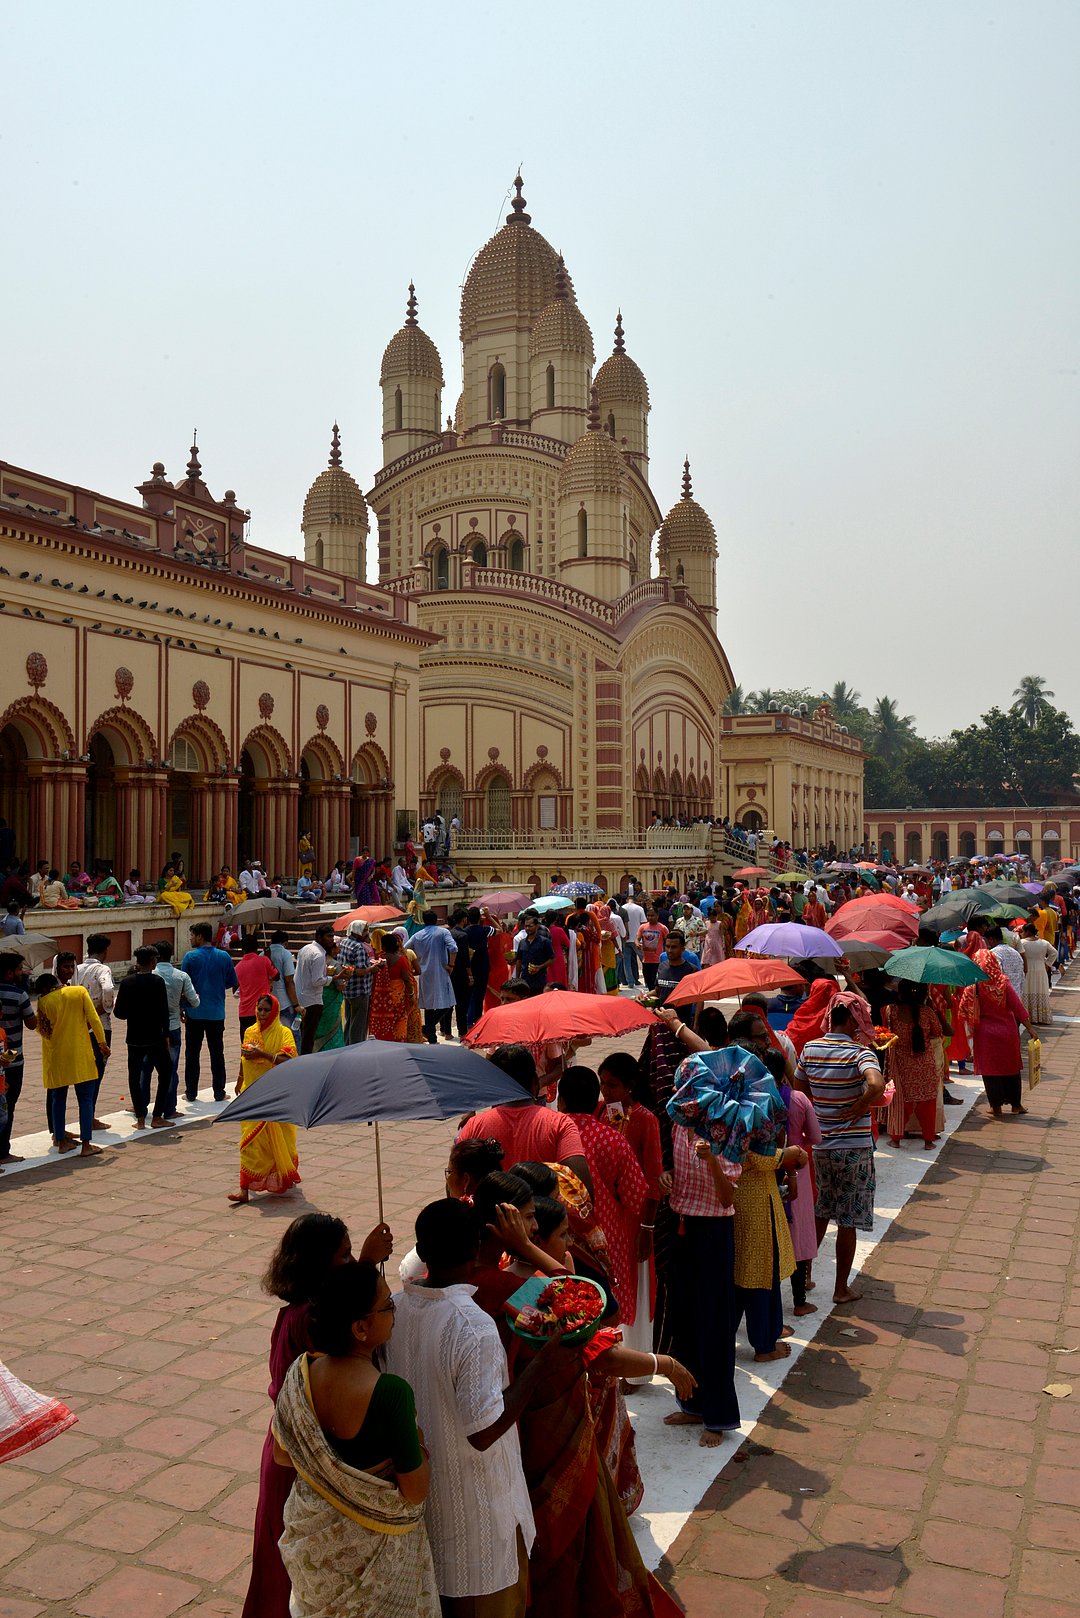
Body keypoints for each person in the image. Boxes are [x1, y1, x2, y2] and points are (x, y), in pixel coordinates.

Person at [385, 1199, 540, 1616]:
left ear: (422, 1250)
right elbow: (484, 1431)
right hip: (478, 1516)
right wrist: (542, 1365)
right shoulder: (472, 1325)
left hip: (424, 1505)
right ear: (476, 1249)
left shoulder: (393, 1312)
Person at [242, 1212, 394, 1618]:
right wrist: (367, 1266)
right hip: (301, 1458)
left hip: (289, 1448)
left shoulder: (297, 1312)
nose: (350, 1262)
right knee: (296, 1572)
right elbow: (344, 1359)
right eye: (343, 1257)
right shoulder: (311, 1321)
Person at [272, 1260, 439, 1617]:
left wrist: (328, 1472)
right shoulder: (391, 1393)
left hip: (316, 1562)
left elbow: (283, 1455)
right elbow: (415, 1491)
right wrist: (419, 1443)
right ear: (361, 1327)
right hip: (377, 1565)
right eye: (387, 1306)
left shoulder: (300, 1374)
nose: (394, 1312)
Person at [795, 993, 884, 1304]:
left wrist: (823, 1109)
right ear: (853, 1020)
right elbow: (877, 1085)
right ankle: (840, 1289)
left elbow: (800, 1091)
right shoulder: (860, 1053)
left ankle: (805, 1276)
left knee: (822, 1210)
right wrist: (859, 1105)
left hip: (822, 1146)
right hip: (854, 1147)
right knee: (848, 1219)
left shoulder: (810, 1049)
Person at [557, 1066, 647, 1332]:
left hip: (558, 1241)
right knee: (607, 1317)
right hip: (606, 1241)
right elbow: (636, 1197)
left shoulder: (550, 1131)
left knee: (564, 1313)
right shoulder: (612, 1138)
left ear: (561, 1100)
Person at [597, 1051, 663, 1360]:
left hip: (635, 1217)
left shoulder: (645, 1120)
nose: (605, 1091)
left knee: (634, 1285)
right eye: (602, 1083)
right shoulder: (603, 1112)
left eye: (612, 1085)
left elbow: (653, 1179)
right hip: (608, 1215)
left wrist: (647, 1228)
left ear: (630, 1086)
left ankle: (635, 1360)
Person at [456, 1042, 592, 1192]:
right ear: (535, 1081)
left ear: (494, 1082)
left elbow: (456, 1184)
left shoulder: (474, 1126)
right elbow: (582, 1191)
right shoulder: (560, 1124)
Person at [230, 994, 301, 1204]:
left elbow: (288, 1060)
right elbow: (244, 1056)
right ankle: (244, 1189)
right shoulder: (250, 1031)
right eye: (259, 1009)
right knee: (249, 1143)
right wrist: (239, 1079)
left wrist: (262, 1054)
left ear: (275, 1011)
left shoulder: (283, 1033)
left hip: (275, 1096)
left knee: (281, 1142)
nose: (261, 1014)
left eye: (266, 1010)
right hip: (251, 1094)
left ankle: (283, 1174)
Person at [34, 971, 107, 1157]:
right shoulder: (79, 992)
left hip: (57, 1057)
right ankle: (86, 1145)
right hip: (80, 1054)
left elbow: (42, 1031)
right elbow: (94, 1018)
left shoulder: (43, 1002)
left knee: (58, 1099)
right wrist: (102, 1044)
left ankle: (61, 1142)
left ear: (44, 989)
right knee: (85, 1100)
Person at [958, 948, 1035, 1118]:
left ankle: (996, 1107)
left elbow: (963, 1009)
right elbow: (1018, 1007)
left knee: (990, 1071)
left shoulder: (973, 985)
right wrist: (1030, 1028)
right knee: (1011, 1068)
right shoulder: (1003, 983)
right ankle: (1016, 1105)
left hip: (985, 1035)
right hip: (1007, 1032)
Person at [113, 945, 173, 1130]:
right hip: (155, 1036)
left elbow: (119, 1013)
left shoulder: (127, 983)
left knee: (134, 1076)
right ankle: (157, 1115)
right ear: (153, 961)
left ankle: (140, 1117)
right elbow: (164, 1012)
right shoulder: (157, 982)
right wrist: (166, 1034)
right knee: (165, 1073)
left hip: (134, 1037)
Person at [182, 922, 239, 1101]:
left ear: (200, 936)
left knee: (192, 1053)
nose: (191, 939)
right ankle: (219, 1092)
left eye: (192, 935)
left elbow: (184, 986)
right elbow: (231, 981)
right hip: (216, 1012)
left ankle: (191, 1092)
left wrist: (183, 1007)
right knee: (217, 1053)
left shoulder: (190, 957)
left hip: (194, 1012)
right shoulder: (224, 956)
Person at [884, 982, 945, 1149]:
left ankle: (896, 1139)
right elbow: (938, 1032)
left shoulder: (891, 1011)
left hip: (901, 1065)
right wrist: (931, 1007)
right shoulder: (927, 1012)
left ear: (901, 993)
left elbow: (886, 1031)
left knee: (900, 1103)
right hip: (925, 1064)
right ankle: (928, 1141)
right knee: (927, 1102)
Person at [150, 941, 199, 1119]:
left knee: (144, 1069)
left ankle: (140, 1106)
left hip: (151, 1027)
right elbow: (195, 1002)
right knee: (170, 1069)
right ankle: (169, 1108)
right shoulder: (181, 976)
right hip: (172, 1026)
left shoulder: (150, 975)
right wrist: (181, 1003)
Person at [75, 934, 115, 1125]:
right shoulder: (102, 969)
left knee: (82, 1072)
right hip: (100, 1026)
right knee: (97, 1071)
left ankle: (86, 1113)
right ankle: (89, 1116)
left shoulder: (76, 969)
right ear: (105, 951)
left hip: (78, 1025)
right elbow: (107, 990)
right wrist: (101, 1009)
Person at [0, 956, 36, 1165]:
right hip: (12, 1057)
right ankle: (3, 1151)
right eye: (19, 969)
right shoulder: (19, 995)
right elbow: (32, 1024)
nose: (22, 972)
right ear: (9, 973)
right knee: (8, 1106)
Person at [410, 910, 457, 1043]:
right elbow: (453, 948)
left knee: (429, 1006)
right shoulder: (443, 932)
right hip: (441, 972)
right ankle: (429, 1029)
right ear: (436, 919)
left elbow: (404, 950)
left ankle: (431, 1035)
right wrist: (451, 965)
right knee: (448, 1004)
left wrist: (414, 964)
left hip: (425, 974)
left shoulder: (417, 935)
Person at [368, 930, 421, 1042]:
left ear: (384, 947)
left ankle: (385, 1041)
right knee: (400, 1020)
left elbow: (374, 975)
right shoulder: (401, 960)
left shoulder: (379, 959)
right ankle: (399, 1042)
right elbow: (407, 980)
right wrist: (411, 994)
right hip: (398, 997)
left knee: (385, 1020)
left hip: (383, 998)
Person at [295, 922, 336, 1056]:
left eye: (332, 936)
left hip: (301, 997)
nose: (331, 940)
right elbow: (317, 981)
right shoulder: (318, 955)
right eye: (329, 936)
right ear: (319, 937)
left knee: (304, 1034)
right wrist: (333, 978)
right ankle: (305, 1061)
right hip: (312, 1000)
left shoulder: (305, 948)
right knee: (308, 1037)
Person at [337, 919, 379, 1045]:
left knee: (350, 1020)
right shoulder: (359, 947)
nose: (367, 933)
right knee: (359, 1025)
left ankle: (347, 1046)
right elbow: (360, 971)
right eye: (364, 930)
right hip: (360, 990)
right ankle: (357, 1048)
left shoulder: (344, 942)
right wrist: (372, 968)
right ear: (357, 931)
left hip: (348, 988)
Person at [235, 937, 278, 1044]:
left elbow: (235, 988)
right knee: (265, 1044)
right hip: (263, 1010)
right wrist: (269, 957)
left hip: (244, 1012)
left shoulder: (237, 967)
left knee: (247, 1045)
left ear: (243, 950)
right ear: (257, 948)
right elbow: (276, 976)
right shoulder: (264, 960)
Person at [463, 906, 496, 1029]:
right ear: (479, 918)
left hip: (469, 967)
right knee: (480, 996)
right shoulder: (485, 930)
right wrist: (488, 916)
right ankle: (478, 1021)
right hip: (483, 967)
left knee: (470, 995)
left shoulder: (465, 932)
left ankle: (468, 1022)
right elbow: (500, 930)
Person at [1019, 920, 1056, 1025]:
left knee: (1027, 990)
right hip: (1041, 969)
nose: (1022, 934)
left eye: (1023, 931)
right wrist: (1047, 964)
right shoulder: (1044, 943)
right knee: (1040, 990)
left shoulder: (1022, 943)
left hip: (1026, 969)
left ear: (1028, 932)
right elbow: (1054, 953)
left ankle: (1027, 1016)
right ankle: (1040, 1016)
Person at [514, 909, 554, 996]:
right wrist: (517, 978)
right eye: (526, 926)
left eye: (530, 926)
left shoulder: (544, 942)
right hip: (524, 980)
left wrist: (539, 967)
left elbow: (552, 959)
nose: (527, 928)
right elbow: (519, 961)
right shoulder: (522, 942)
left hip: (539, 981)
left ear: (536, 926)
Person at [266, 929, 301, 1029]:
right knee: (291, 1033)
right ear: (285, 943)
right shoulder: (285, 954)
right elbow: (288, 980)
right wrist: (296, 1004)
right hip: (283, 1001)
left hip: (267, 1001)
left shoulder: (262, 955)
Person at [636, 907, 668, 990]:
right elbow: (637, 938)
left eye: (652, 915)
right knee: (648, 980)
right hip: (646, 960)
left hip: (657, 960)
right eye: (648, 915)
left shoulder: (663, 928)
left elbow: (668, 941)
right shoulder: (642, 927)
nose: (650, 917)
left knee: (655, 981)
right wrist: (637, 943)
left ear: (657, 916)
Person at [621, 892, 646, 986]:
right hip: (637, 939)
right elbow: (643, 923)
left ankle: (630, 982)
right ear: (635, 901)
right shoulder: (639, 909)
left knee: (626, 962)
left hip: (626, 939)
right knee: (644, 960)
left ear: (627, 900)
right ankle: (647, 980)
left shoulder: (622, 908)